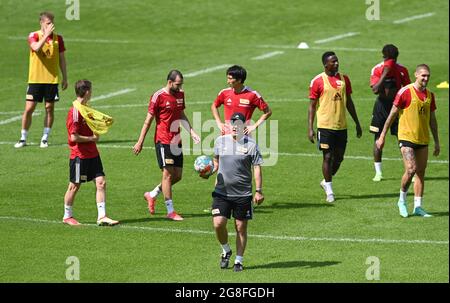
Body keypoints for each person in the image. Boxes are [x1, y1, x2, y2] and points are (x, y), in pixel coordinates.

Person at [133, 70, 200, 221]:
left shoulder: (180, 95)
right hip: (163, 140)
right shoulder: (158, 96)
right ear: (170, 82)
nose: (180, 87)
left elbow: (181, 114)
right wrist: (140, 141)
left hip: (177, 140)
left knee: (177, 176)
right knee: (168, 175)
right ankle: (170, 211)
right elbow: (148, 120)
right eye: (178, 84)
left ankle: (152, 194)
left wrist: (192, 132)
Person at [376, 64, 440, 218]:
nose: (426, 78)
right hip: (406, 137)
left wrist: (437, 141)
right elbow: (392, 114)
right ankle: (402, 201)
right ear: (416, 75)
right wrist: (382, 135)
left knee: (420, 173)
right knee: (411, 169)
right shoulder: (405, 92)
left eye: (428, 76)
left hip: (423, 139)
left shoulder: (430, 95)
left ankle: (418, 207)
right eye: (423, 75)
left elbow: (432, 119)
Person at [203, 112, 264, 272]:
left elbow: (257, 168)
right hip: (221, 192)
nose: (235, 126)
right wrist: (208, 171)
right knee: (218, 223)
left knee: (240, 227)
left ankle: (238, 260)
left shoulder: (251, 145)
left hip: (243, 194)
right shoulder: (220, 141)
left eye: (239, 124)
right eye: (233, 123)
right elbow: (216, 162)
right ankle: (226, 250)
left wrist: (258, 190)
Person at [308, 51, 362, 203]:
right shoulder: (317, 81)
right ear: (326, 64)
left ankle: (326, 182)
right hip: (325, 126)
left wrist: (357, 122)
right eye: (333, 61)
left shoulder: (344, 79)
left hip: (341, 126)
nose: (337, 63)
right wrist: (310, 128)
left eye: (337, 61)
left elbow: (349, 101)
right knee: (328, 156)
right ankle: (330, 191)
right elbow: (312, 106)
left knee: (339, 158)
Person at [63, 80, 119, 226]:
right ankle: (67, 216)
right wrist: (92, 138)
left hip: (92, 154)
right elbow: (73, 137)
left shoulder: (85, 109)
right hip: (79, 155)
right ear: (87, 91)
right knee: (74, 186)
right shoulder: (75, 112)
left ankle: (102, 217)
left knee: (101, 182)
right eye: (91, 90)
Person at [15, 12, 68, 149]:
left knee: (49, 108)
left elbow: (62, 59)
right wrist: (46, 35)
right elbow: (36, 47)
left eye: (52, 22)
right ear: (42, 23)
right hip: (35, 80)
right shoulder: (34, 35)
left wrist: (65, 77)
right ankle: (23, 137)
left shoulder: (58, 39)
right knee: (29, 108)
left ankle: (45, 138)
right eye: (48, 23)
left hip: (51, 80)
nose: (51, 26)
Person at [369, 44, 411, 181]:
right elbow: (375, 90)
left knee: (403, 139)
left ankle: (410, 170)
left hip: (397, 107)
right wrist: (385, 73)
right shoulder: (377, 69)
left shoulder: (402, 70)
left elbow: (408, 90)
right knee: (378, 138)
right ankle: (378, 172)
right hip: (381, 107)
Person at [211, 65, 272, 135]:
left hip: (243, 136)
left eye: (230, 79)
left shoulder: (253, 95)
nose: (228, 81)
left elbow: (268, 112)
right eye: (227, 78)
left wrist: (254, 126)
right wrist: (219, 123)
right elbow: (214, 106)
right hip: (226, 136)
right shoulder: (224, 93)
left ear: (239, 80)